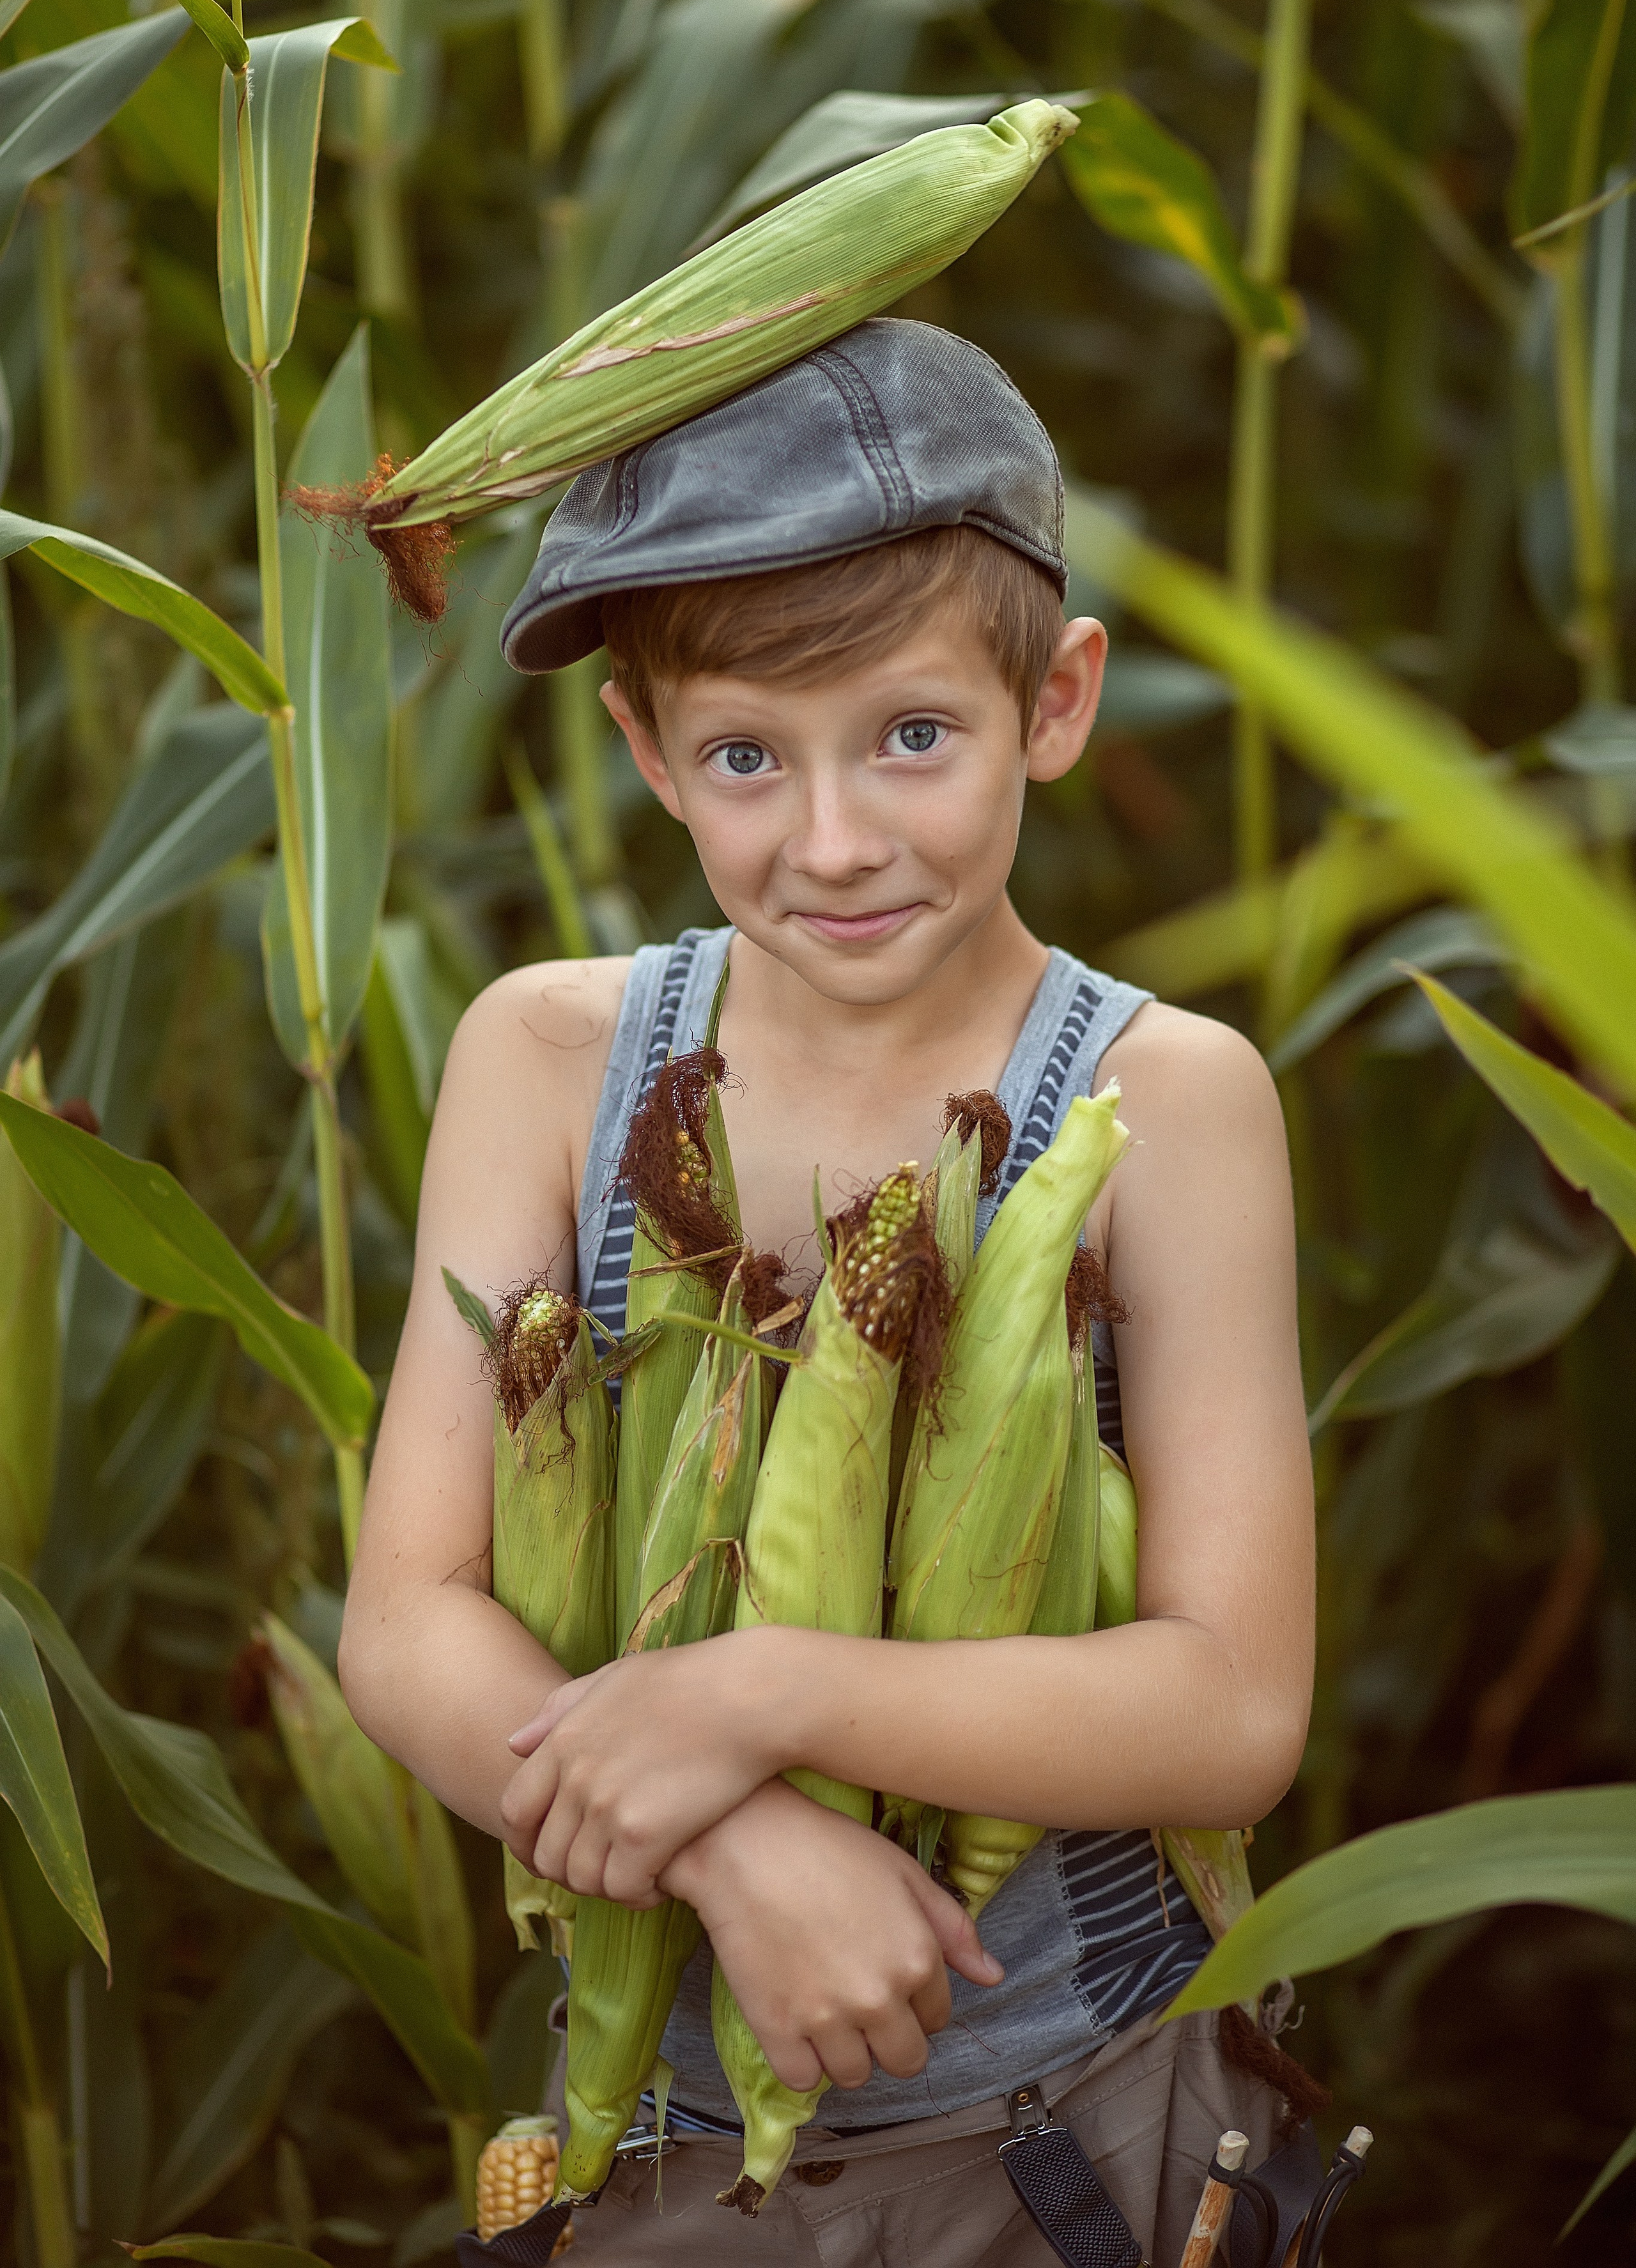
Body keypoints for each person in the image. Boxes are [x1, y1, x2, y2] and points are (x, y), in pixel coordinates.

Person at [339, 318, 1316, 2266]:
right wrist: (731, 1836)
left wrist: (764, 1690)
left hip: (1079, 2143)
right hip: (658, 2153)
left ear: (1058, 699)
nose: (837, 840)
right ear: (644, 752)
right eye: (743, 760)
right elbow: (406, 1620)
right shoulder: (548, 1060)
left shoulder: (1163, 1106)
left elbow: (1231, 1703)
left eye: (915, 736)